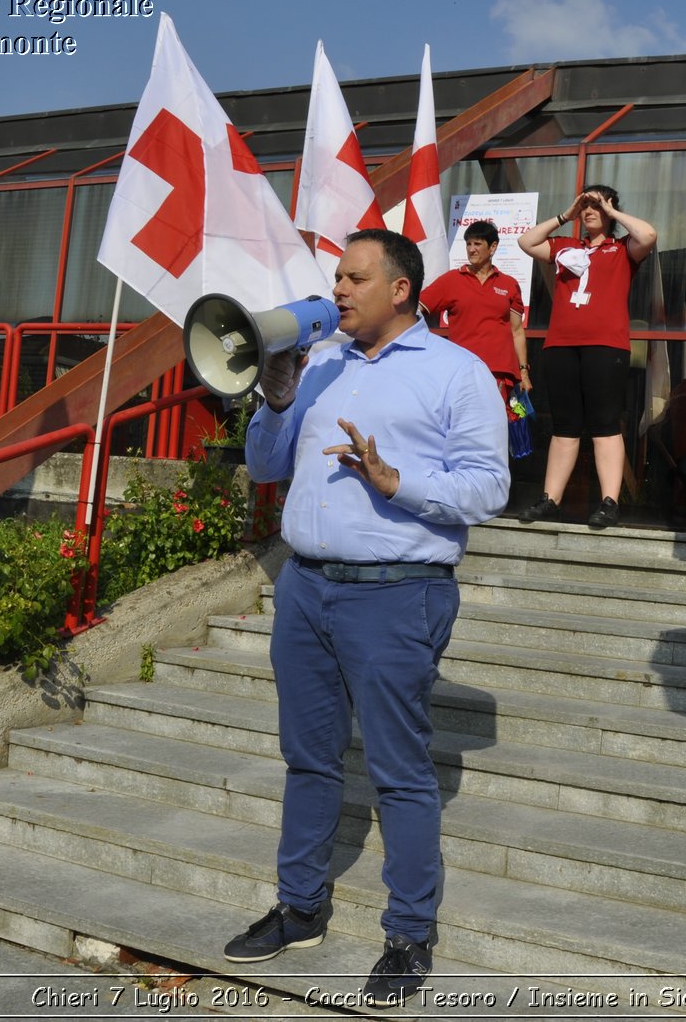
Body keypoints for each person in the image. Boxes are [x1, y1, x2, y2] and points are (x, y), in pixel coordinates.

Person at [231, 230, 510, 1008]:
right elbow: (264, 464)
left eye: (355, 278)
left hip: (397, 593)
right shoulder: (320, 366)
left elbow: (489, 488)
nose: (339, 290)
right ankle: (301, 908)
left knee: (398, 770)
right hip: (306, 589)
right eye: (337, 276)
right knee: (309, 757)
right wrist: (277, 399)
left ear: (400, 289)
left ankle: (409, 934)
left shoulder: (458, 372)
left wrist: (399, 480)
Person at [516, 184, 658, 528]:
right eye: (586, 204)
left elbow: (649, 234)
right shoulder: (567, 246)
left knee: (605, 424)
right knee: (565, 426)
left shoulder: (623, 248)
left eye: (596, 204)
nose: (589, 209)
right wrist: (566, 213)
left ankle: (610, 501)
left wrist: (612, 212)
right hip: (561, 346)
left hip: (606, 346)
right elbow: (526, 242)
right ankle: (550, 499)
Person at [419, 219, 531, 405]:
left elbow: (517, 331)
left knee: (498, 428)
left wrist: (524, 372)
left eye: (477, 244)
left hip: (499, 373)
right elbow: (416, 310)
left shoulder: (509, 284)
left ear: (493, 247)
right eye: (468, 244)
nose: (471, 249)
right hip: (462, 370)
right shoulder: (451, 280)